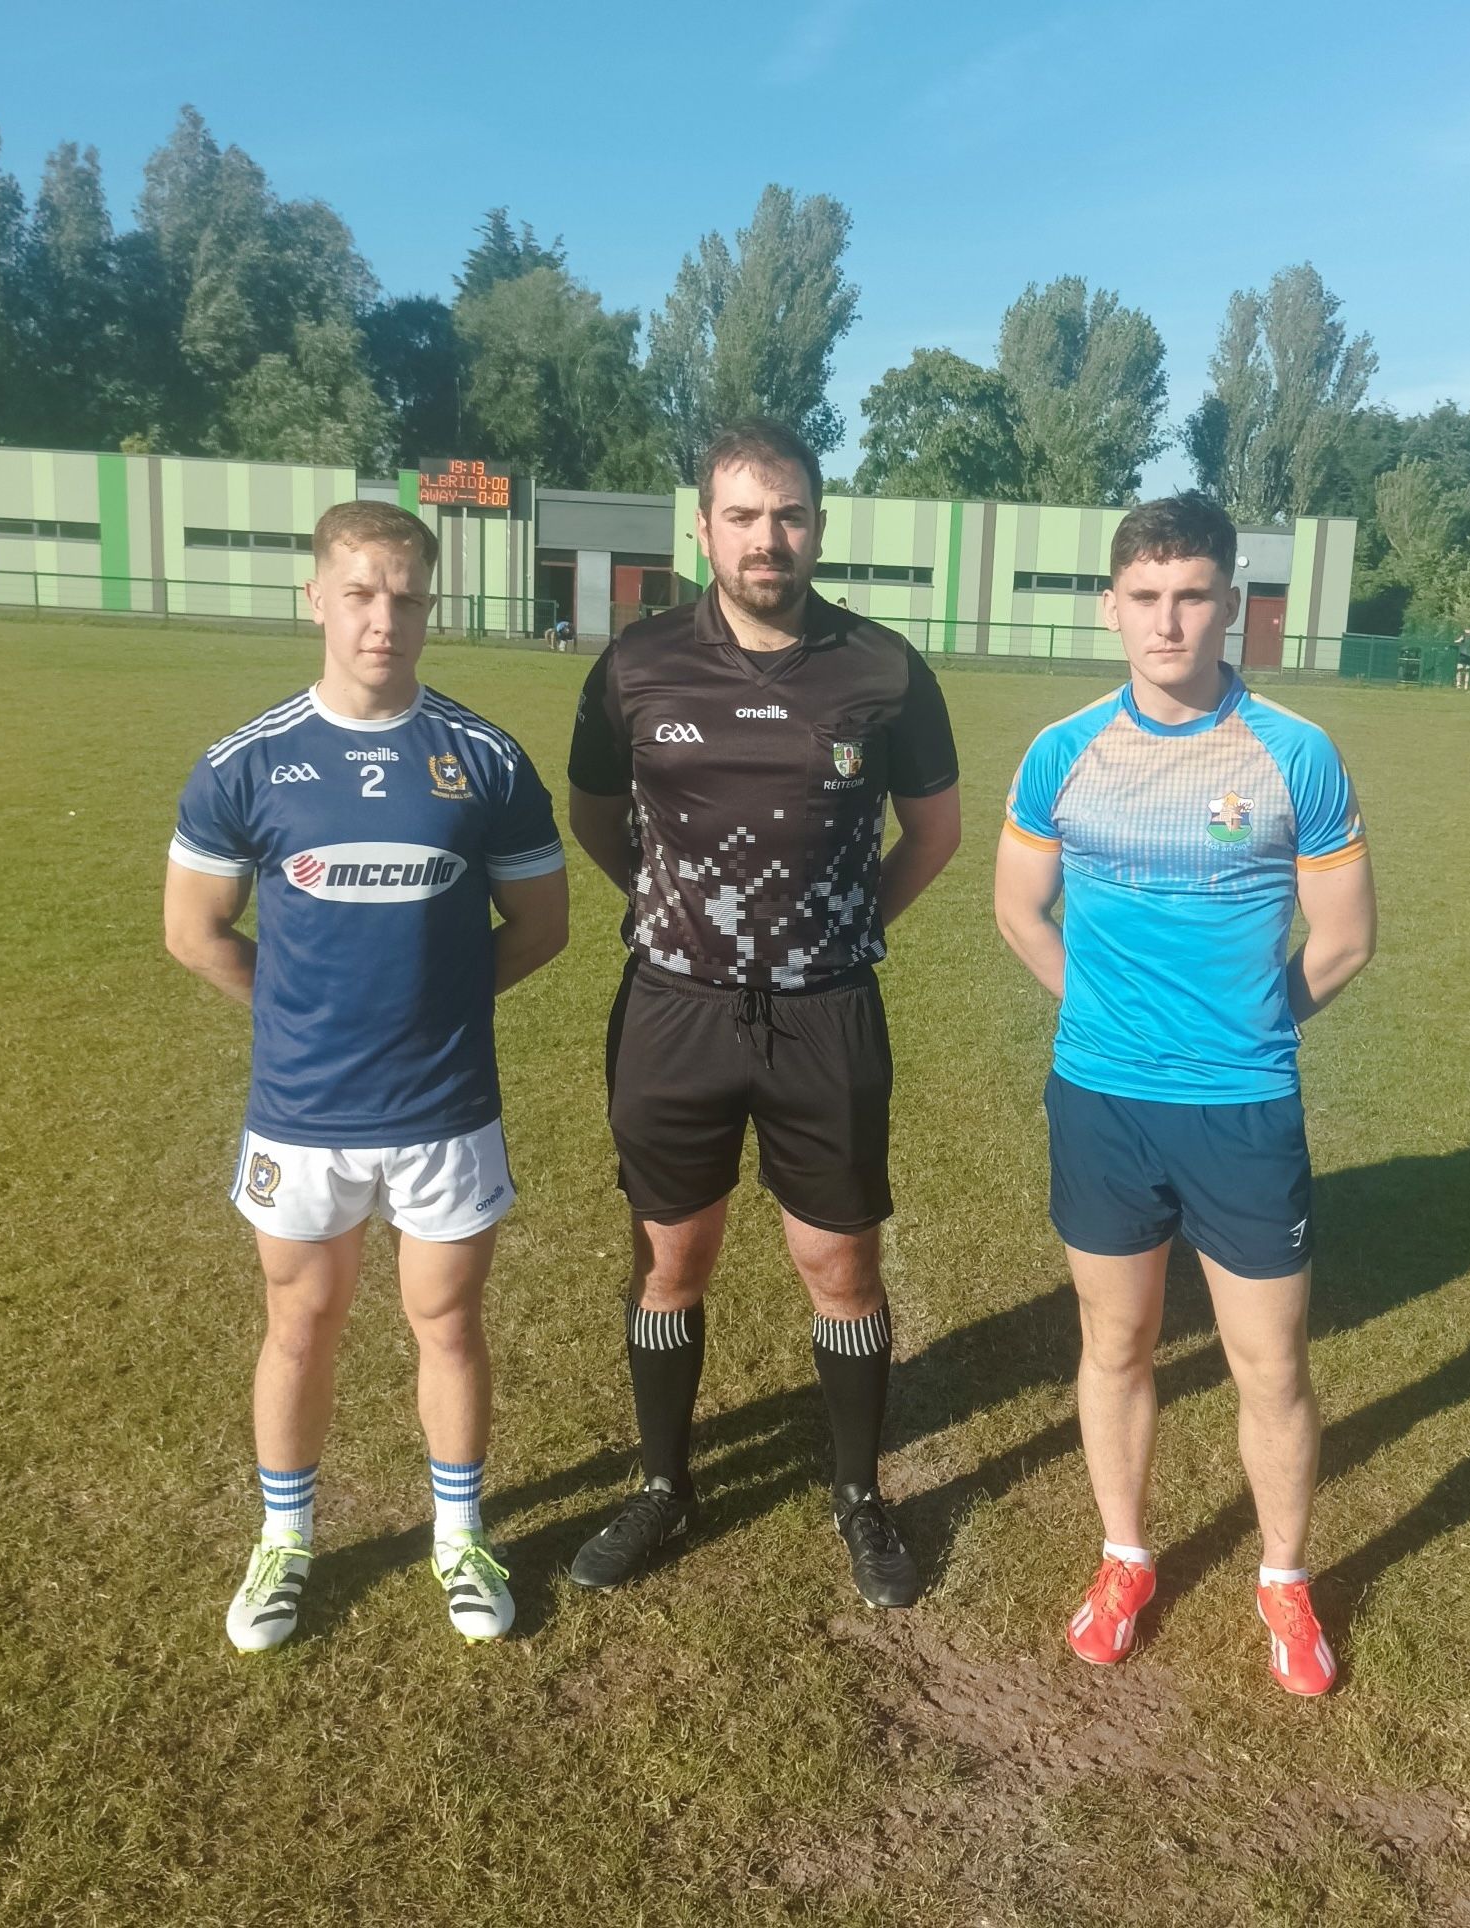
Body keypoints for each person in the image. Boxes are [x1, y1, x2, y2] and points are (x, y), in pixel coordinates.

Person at [565, 420, 961, 1608]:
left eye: (788, 514)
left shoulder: (883, 669)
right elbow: (594, 817)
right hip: (674, 1013)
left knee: (840, 1264)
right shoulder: (635, 665)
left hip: (826, 1016)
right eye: (742, 516)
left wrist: (843, 931)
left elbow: (932, 833)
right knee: (670, 1258)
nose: (766, 538)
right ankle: (662, 1484)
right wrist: (675, 914)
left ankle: (856, 1490)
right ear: (703, 529)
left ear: (819, 525)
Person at [163, 501, 570, 1652]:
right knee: (301, 1321)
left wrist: (433, 1007)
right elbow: (194, 930)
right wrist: (301, 1014)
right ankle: (286, 1539)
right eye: (359, 592)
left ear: (429, 604)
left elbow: (541, 924)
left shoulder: (483, 758)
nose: (381, 617)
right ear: (317, 598)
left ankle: (459, 1535)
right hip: (303, 1111)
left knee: (448, 1320)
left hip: (445, 1109)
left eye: (404, 595)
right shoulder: (245, 762)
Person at [994, 492, 1375, 1698]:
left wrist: (1247, 1025)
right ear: (1113, 607)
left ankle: (1284, 1577)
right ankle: (1125, 1555)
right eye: (1146, 597)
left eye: (1193, 595)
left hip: (1244, 1107)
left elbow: (1345, 939)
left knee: (1271, 1365)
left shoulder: (1293, 753)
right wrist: (1096, 1010)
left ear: (1233, 608)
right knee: (1116, 1342)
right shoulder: (1063, 751)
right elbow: (1017, 906)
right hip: (1100, 1100)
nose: (1169, 620)